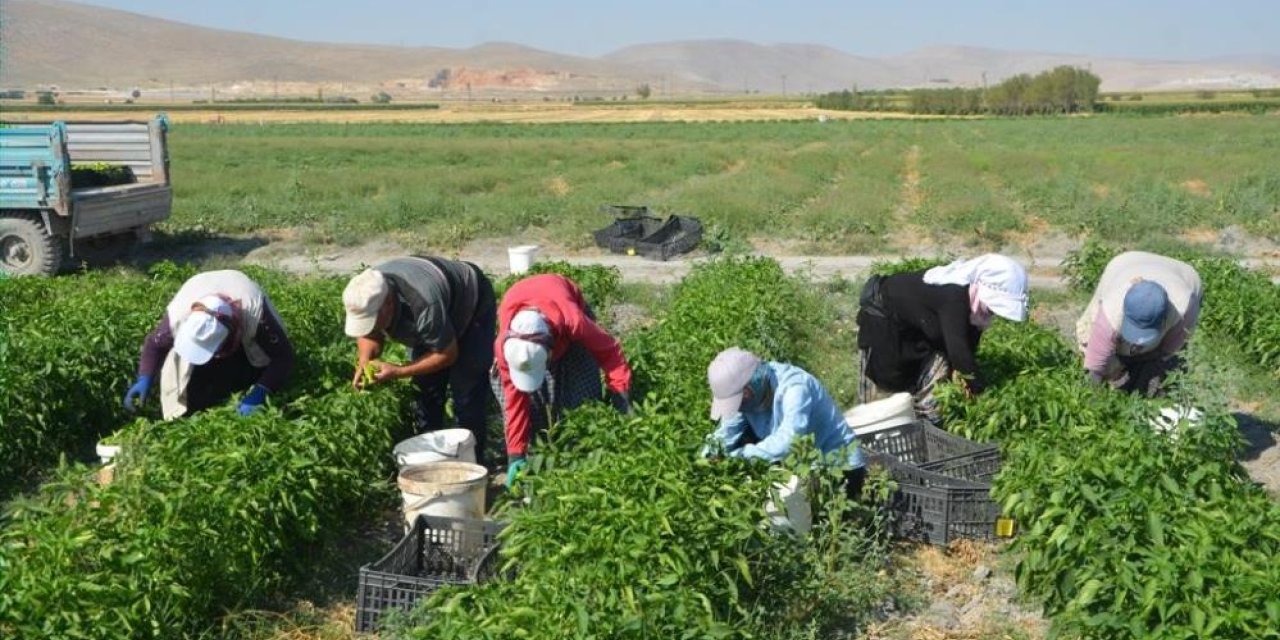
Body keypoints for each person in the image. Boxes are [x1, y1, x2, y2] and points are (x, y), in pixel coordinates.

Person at [343, 256, 496, 464]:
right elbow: (369, 334)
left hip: (470, 305)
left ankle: (473, 464)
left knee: (467, 391)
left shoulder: (423, 304)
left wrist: (398, 371)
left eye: (372, 321)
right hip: (434, 317)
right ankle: (431, 462)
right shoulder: (365, 292)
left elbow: (448, 354)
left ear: (388, 304)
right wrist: (365, 361)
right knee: (425, 393)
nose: (370, 326)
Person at [493, 273, 633, 487]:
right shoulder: (507, 347)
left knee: (581, 396)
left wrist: (621, 395)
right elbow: (515, 401)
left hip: (564, 308)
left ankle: (582, 458)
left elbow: (609, 352)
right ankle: (538, 456)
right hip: (535, 309)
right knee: (530, 405)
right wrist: (515, 454)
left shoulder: (574, 321)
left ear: (550, 350)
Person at [855, 254, 1028, 422]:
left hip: (914, 330)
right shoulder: (954, 295)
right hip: (884, 327)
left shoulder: (975, 305)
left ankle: (924, 423)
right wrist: (984, 394)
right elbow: (959, 352)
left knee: (930, 382)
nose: (992, 313)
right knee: (885, 405)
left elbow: (968, 347)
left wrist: (966, 380)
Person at [123, 270, 294, 420]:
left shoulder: (255, 312)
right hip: (199, 286)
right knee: (191, 382)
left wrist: (260, 392)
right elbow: (154, 345)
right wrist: (144, 379)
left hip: (241, 296)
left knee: (254, 369)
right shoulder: (178, 315)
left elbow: (283, 357)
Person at [701, 347, 867, 501]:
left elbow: (788, 443)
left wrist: (735, 457)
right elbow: (726, 432)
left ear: (750, 387)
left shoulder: (795, 388)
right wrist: (706, 458)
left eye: (739, 400)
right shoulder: (748, 399)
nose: (738, 407)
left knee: (839, 517)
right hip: (803, 467)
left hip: (838, 466)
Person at [1076, 251, 1202, 396]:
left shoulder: (1184, 308)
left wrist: (1142, 368)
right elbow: (1095, 367)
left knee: (1168, 364)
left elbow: (1168, 351)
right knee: (1089, 340)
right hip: (1123, 265)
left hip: (1182, 274)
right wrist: (1093, 397)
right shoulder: (1110, 312)